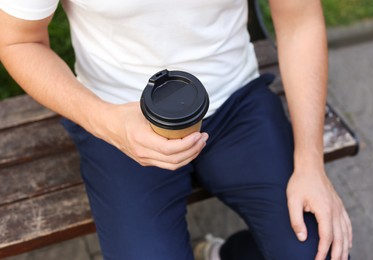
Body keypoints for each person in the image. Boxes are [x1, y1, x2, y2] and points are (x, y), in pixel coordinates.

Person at [0, 0, 352, 259]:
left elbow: (299, 18)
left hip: (235, 103)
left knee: (321, 249)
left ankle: (225, 255)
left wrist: (311, 163)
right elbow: (17, 40)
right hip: (118, 120)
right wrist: (105, 121)